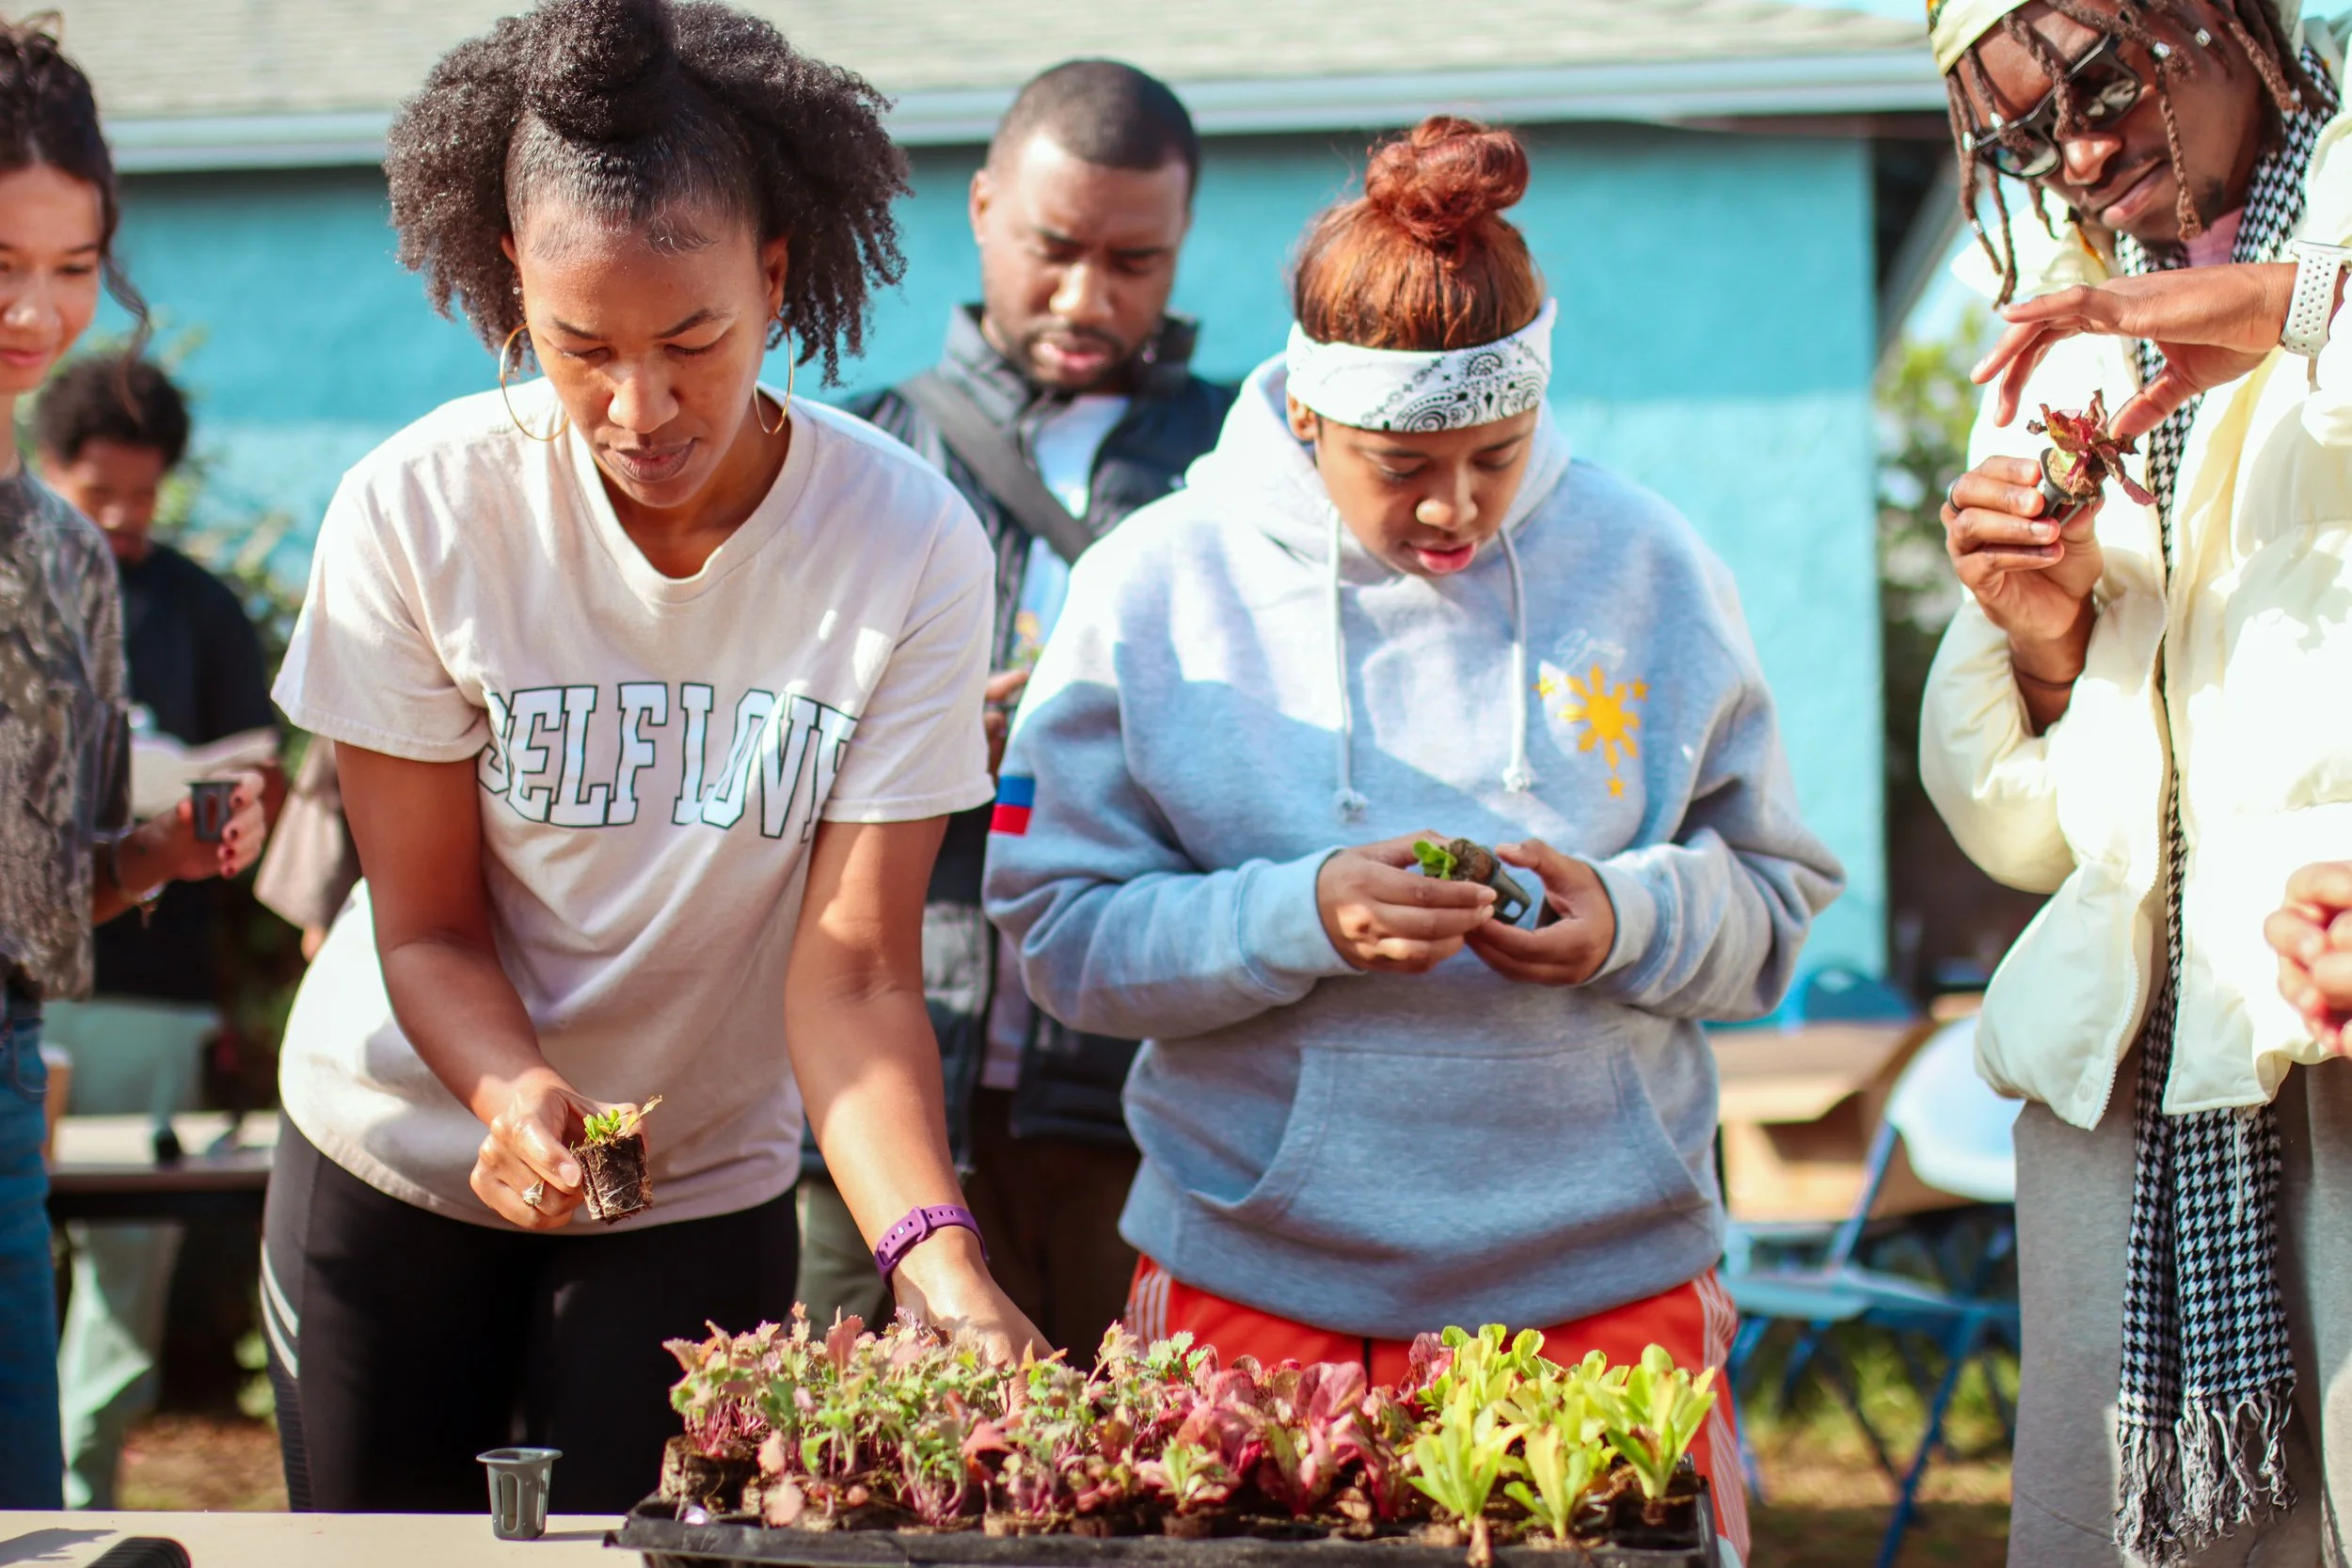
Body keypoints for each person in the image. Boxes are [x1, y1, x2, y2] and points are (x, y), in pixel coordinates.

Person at [984, 115, 1846, 1568]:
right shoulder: (1153, 588)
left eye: (1496, 455)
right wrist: (1296, 914)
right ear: (1309, 418)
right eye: (1402, 463)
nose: (1454, 506)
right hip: (1252, 1284)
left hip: (1604, 1286)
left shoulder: (1650, 565)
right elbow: (1061, 933)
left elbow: (1774, 899)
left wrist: (1626, 919)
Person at [262, 0, 1040, 1515]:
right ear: (509, 293)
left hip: (697, 1185)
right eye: (578, 349)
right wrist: (508, 1095)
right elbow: (424, 922)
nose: (642, 408)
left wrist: (932, 1256)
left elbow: (860, 976)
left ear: (776, 274)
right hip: (399, 1155)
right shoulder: (419, 511)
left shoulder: (907, 545)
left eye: (695, 341)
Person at [1920, 0, 2352, 1561]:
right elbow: (2032, 827)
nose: (2084, 156)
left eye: (2101, 85)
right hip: (2132, 1084)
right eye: (2029, 135)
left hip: (2329, 1042)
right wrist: (2039, 636)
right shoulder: (2069, 322)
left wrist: (2297, 301)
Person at [809, 59, 1232, 1356]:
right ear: (985, 207)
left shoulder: (1246, 471)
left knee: (1129, 1493)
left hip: (1133, 1097)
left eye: (1134, 261)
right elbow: (751, 757)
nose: (1087, 297)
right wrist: (921, 745)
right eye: (1054, 248)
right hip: (880, 1088)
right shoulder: (857, 452)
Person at [0, 17, 266, 1510]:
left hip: (3, 1090)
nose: (40, 312)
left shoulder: (65, 561)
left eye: (74, 263)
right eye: (0, 264)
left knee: (32, 1514)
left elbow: (53, 891)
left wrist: (156, 857)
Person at [34, 352, 280, 1509]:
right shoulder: (21, 582)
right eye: (99, 495)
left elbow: (252, 770)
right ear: (45, 468)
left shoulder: (199, 606)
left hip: (152, 980)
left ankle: (74, 1487)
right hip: (32, 967)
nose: (125, 520)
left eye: (145, 494)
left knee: (127, 1271)